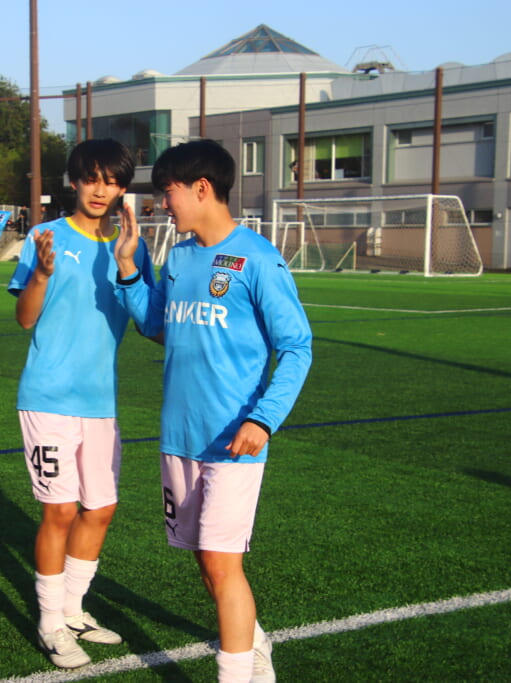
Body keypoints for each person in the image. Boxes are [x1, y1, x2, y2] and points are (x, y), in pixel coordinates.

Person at [113, 140, 312, 683]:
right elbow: (157, 326)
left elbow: (297, 347)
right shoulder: (178, 258)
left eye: (168, 192)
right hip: (180, 436)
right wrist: (128, 267)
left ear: (201, 189)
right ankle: (255, 645)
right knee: (206, 560)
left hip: (233, 441)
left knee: (223, 564)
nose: (163, 204)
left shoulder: (258, 258)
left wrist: (263, 419)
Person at [8, 138, 155, 669]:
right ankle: (49, 623)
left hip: (100, 402)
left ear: (123, 189)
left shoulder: (132, 247)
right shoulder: (45, 237)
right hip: (48, 396)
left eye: (112, 182)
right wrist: (42, 275)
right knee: (60, 510)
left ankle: (73, 609)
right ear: (73, 181)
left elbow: (151, 321)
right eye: (91, 179)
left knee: (101, 508)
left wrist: (128, 264)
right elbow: (25, 318)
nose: (101, 190)